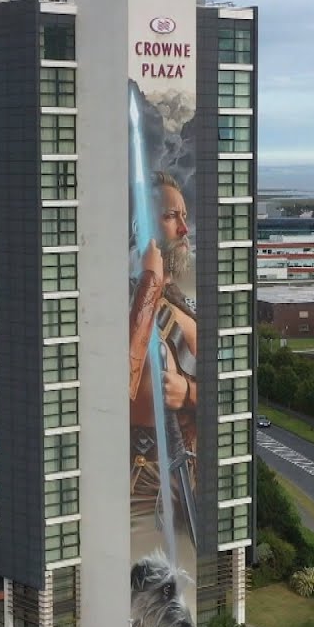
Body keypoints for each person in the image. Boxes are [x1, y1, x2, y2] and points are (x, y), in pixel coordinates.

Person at [128, 171, 198, 533]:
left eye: (184, 216)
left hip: (187, 489)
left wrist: (188, 392)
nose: (184, 229)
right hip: (136, 499)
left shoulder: (185, 310)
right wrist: (150, 283)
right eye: (172, 216)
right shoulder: (121, 306)